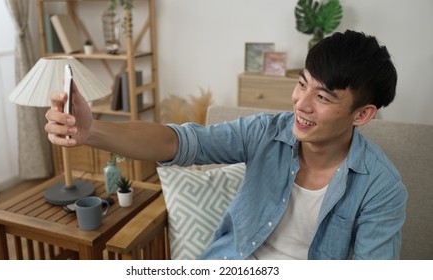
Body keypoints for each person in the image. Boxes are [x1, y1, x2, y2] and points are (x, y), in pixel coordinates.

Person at [45, 30, 407, 259]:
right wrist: (92, 132)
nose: (301, 103)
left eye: (324, 97)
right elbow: (181, 141)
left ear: (362, 115)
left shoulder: (381, 187)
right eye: (302, 83)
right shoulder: (266, 133)